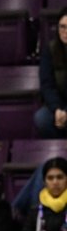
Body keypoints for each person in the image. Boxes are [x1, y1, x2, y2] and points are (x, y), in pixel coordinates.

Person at [16, 157, 67, 231]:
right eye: (50, 178)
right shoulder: (35, 210)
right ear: (44, 181)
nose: (55, 182)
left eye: (60, 177)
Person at [34, 7, 67, 139]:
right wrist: (57, 109)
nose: (65, 32)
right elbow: (47, 84)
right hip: (60, 103)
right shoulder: (50, 50)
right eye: (62, 27)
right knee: (41, 119)